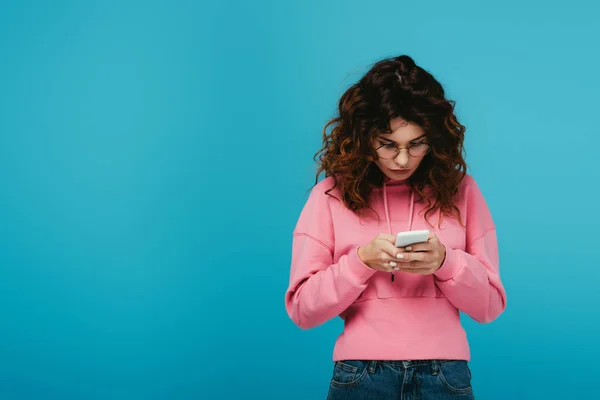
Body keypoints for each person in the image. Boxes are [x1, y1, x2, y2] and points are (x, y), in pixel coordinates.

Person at [284, 54, 507, 399]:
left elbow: (490, 305)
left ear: (434, 139)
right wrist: (360, 262)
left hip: (444, 375)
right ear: (363, 137)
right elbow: (302, 309)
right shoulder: (329, 195)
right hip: (360, 374)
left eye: (416, 144)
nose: (402, 160)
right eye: (388, 144)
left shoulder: (463, 190)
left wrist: (444, 263)